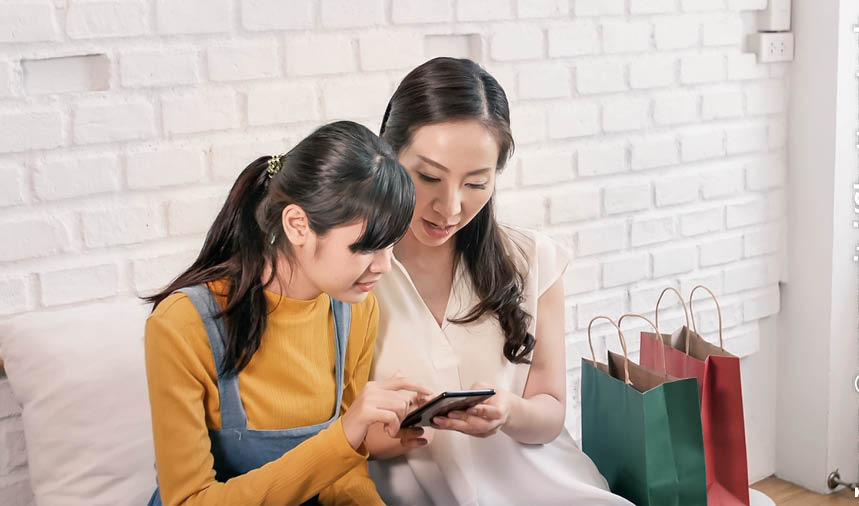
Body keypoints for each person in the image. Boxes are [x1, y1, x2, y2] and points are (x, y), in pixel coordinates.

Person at [364, 57, 636, 506]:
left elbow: (549, 415)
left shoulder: (533, 260)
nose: (449, 207)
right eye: (429, 177)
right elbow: (332, 432)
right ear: (388, 156)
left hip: (543, 486)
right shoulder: (353, 271)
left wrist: (509, 412)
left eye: (476, 182)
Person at [143, 121, 430, 506]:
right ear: (298, 225)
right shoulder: (184, 324)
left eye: (391, 246)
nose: (384, 267)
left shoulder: (354, 311)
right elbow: (188, 501)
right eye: (366, 247)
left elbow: (342, 477)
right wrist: (342, 437)